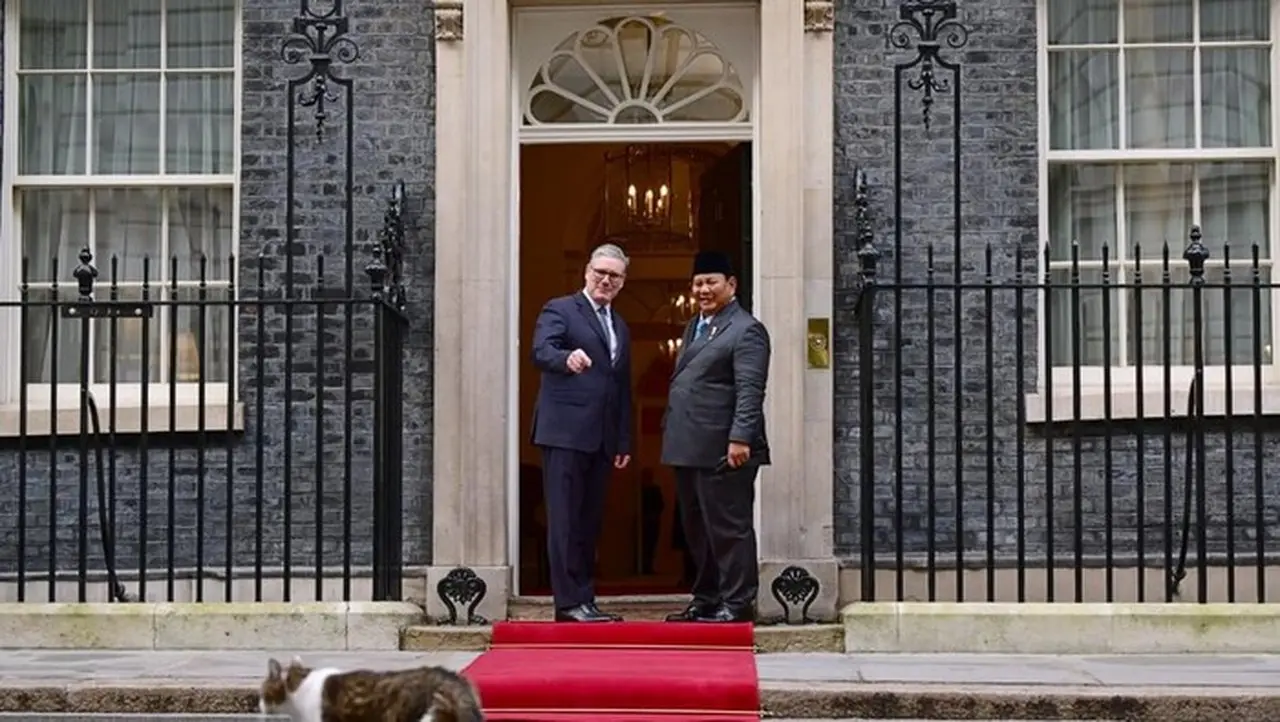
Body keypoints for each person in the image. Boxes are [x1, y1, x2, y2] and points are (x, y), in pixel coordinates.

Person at [661, 250, 771, 623]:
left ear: (731, 285)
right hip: (690, 446)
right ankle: (707, 597)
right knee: (697, 530)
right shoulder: (695, 325)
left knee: (728, 528)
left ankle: (737, 603)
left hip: (726, 448)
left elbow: (750, 389)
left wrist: (740, 438)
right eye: (697, 283)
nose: (703, 289)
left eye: (711, 282)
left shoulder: (746, 329)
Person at [530, 243, 634, 622]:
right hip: (564, 433)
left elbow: (621, 387)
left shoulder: (618, 325)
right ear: (587, 272)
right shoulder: (560, 309)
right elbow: (541, 350)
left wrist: (623, 439)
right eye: (600, 272)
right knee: (565, 520)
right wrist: (565, 358)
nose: (606, 280)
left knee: (589, 522)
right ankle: (568, 603)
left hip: (602, 438)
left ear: (623, 282)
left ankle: (585, 599)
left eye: (614, 276)